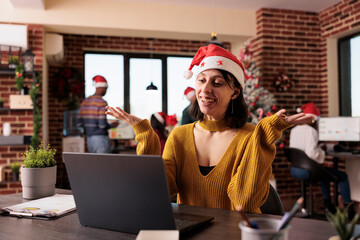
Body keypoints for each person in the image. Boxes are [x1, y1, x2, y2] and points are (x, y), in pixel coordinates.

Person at [106, 44, 313, 213]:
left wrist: (263, 136)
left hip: (237, 234)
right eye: (201, 80)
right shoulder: (179, 135)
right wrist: (146, 136)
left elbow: (244, 201)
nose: (205, 90)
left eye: (217, 82)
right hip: (191, 232)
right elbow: (161, 189)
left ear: (235, 92)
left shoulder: (250, 136)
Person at [289, 102, 352, 214]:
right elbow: (312, 153)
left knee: (324, 175)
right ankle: (349, 210)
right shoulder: (311, 131)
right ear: (312, 119)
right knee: (342, 176)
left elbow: (301, 150)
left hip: (295, 169)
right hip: (307, 170)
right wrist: (322, 152)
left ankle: (329, 206)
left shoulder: (294, 130)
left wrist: (319, 147)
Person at [77, 75, 118, 153]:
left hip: (89, 139)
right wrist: (113, 125)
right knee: (104, 164)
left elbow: (79, 124)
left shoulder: (85, 102)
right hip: (101, 139)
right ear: (102, 88)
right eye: (106, 89)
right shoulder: (102, 102)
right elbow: (102, 125)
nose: (106, 91)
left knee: (95, 164)